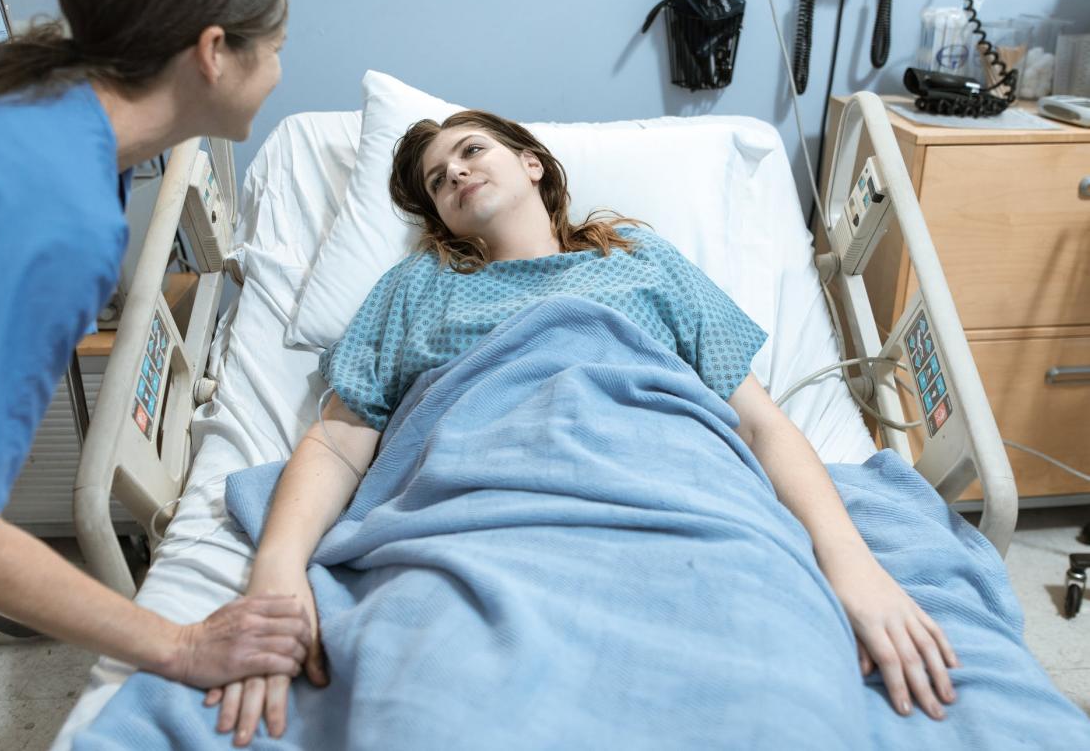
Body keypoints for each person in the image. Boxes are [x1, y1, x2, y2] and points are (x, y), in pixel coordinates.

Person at [207, 110, 960, 746]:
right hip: (476, 517)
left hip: (685, 501)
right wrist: (277, 569)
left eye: (472, 151)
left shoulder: (642, 261)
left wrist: (850, 563)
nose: (457, 175)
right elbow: (338, 439)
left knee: (776, 689)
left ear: (532, 164)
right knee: (438, 698)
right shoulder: (416, 286)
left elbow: (761, 426)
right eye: (438, 181)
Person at [0, 0, 312, 746]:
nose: (281, 70)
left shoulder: (31, 99)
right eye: (276, 50)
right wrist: (180, 641)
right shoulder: (53, 205)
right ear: (215, 52)